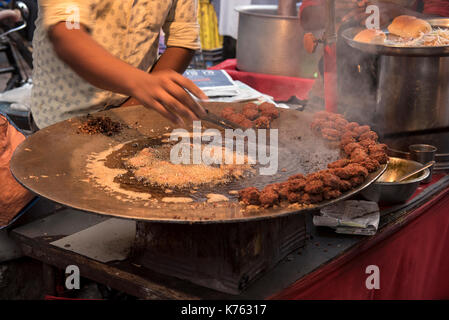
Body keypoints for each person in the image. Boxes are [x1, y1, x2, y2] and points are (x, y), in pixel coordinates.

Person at [30, 0, 208, 130]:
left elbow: (183, 37)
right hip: (61, 118)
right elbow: (67, 30)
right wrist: (139, 83)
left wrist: (135, 104)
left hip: (133, 113)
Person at [299, 0, 449, 112]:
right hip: (331, 87)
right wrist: (336, 8)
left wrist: (397, 12)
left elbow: (442, 23)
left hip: (397, 92)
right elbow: (306, 19)